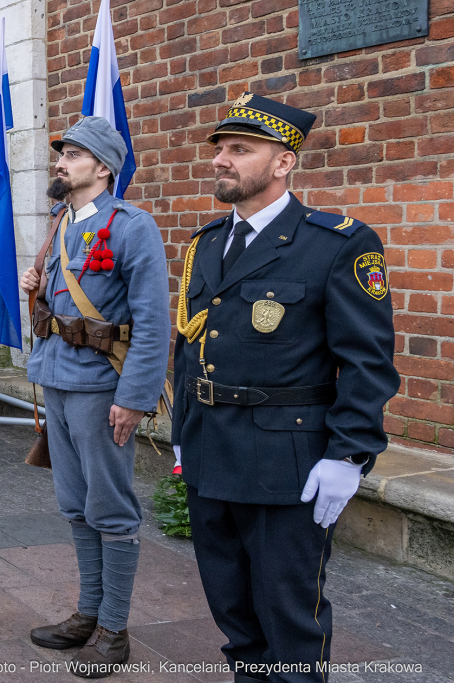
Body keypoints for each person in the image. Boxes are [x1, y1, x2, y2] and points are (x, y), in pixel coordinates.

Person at [171, 93, 400, 680]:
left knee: (290, 617)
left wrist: (349, 453)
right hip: (209, 451)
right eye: (220, 149)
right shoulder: (207, 243)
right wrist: (180, 432)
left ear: (283, 163)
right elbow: (190, 343)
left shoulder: (337, 243)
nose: (221, 160)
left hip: (285, 462)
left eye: (239, 150)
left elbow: (368, 362)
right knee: (233, 612)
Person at [18, 116, 170, 677]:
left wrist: (135, 397)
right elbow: (55, 314)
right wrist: (36, 291)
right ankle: (87, 612)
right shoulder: (61, 222)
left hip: (102, 387)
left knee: (111, 508)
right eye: (62, 155)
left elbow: (154, 323)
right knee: (76, 505)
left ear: (102, 168)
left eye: (73, 155)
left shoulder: (131, 226)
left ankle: (114, 629)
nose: (60, 163)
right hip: (57, 378)